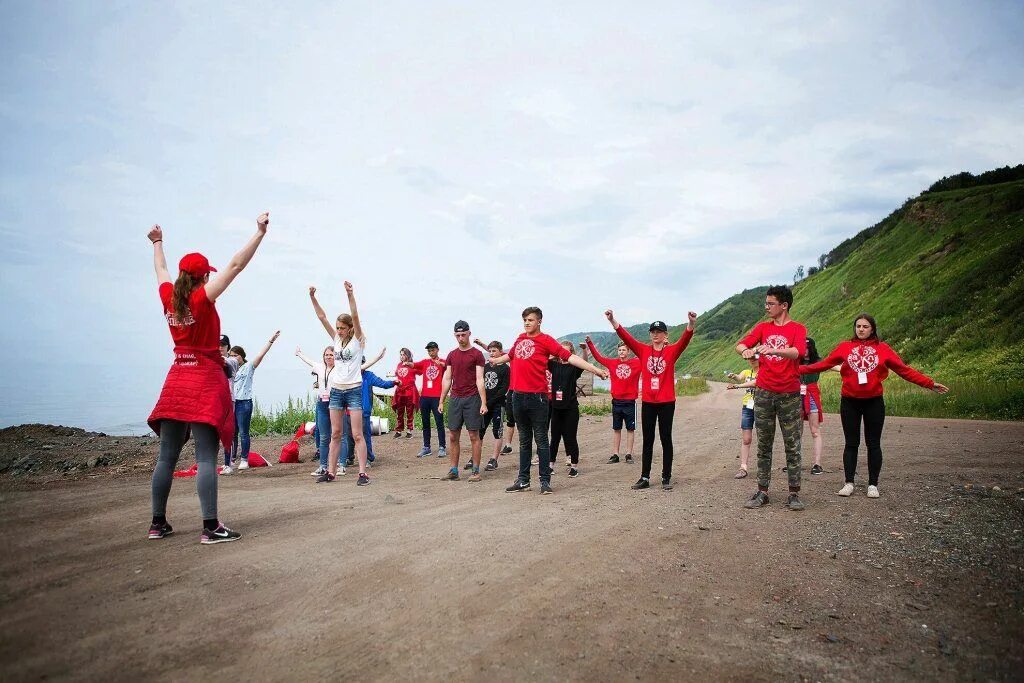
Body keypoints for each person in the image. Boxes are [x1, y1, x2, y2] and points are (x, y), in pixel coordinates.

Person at [145, 210, 269, 544]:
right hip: (203, 380)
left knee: (166, 457)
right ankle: (210, 526)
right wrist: (259, 233)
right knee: (204, 457)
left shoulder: (169, 297)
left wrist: (157, 243)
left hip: (176, 379)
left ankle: (158, 523)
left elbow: (160, 269)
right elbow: (235, 266)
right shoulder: (202, 298)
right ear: (202, 278)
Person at [799, 313, 948, 498]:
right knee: (851, 444)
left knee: (873, 444)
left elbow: (904, 370)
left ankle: (873, 484)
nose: (861, 329)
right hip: (849, 402)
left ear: (872, 329)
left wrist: (929, 383)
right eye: (858, 326)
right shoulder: (845, 347)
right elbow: (822, 365)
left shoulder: (882, 349)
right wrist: (795, 370)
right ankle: (849, 483)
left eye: (865, 326)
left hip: (874, 402)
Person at [491, 307, 608, 495]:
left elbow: (570, 357)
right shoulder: (520, 338)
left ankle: (545, 481)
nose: (527, 323)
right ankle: (523, 480)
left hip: (538, 398)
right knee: (524, 441)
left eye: (530, 320)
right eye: (525, 320)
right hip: (517, 396)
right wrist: (495, 361)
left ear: (539, 322)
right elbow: (510, 356)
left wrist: (596, 370)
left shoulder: (546, 341)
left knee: (542, 440)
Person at [605, 310, 696, 491]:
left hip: (666, 402)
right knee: (648, 439)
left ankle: (666, 477)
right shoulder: (643, 350)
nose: (656, 335)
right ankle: (645, 477)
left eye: (659, 332)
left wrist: (691, 323)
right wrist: (612, 320)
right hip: (648, 402)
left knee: (665, 438)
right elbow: (626, 336)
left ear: (665, 335)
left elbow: (685, 340)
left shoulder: (671, 351)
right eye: (653, 332)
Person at [736, 285, 807, 511]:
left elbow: (798, 352)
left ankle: (794, 493)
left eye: (770, 303)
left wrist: (775, 351)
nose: (766, 307)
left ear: (783, 305)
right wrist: (745, 351)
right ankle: (762, 491)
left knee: (792, 444)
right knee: (764, 443)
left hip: (789, 394)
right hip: (764, 392)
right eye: (766, 303)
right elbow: (740, 344)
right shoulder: (762, 327)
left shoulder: (797, 328)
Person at [309, 282, 371, 486]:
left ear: (350, 328)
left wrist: (350, 294)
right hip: (336, 391)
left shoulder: (358, 340)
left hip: (353, 389)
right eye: (338, 328)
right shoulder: (336, 339)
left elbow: (355, 315)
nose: (339, 331)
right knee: (336, 433)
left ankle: (362, 473)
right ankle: (330, 471)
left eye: (343, 328)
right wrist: (313, 298)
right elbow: (321, 317)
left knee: (357, 434)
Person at [439, 321, 487, 481]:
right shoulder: (452, 355)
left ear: (469, 333)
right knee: (453, 435)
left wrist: (483, 402)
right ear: (455, 335)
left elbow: (480, 379)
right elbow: (447, 378)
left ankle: (475, 470)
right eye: (458, 335)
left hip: (472, 398)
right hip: (455, 398)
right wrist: (441, 400)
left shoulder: (477, 354)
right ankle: (453, 470)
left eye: (463, 335)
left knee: (474, 435)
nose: (461, 338)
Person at [227, 331, 280, 472]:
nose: (232, 358)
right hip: (231, 402)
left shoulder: (248, 366)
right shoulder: (228, 368)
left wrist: (271, 341)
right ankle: (231, 460)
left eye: (235, 355)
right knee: (232, 433)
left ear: (242, 356)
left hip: (244, 403)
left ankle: (244, 459)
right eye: (230, 356)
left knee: (243, 432)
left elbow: (261, 355)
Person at [586, 336, 642, 464]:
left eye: (624, 350)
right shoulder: (612, 363)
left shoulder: (637, 363)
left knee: (630, 429)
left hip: (630, 402)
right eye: (620, 350)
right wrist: (590, 343)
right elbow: (598, 358)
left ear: (629, 351)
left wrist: (664, 346)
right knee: (616, 428)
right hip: (617, 402)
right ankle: (615, 454)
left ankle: (628, 454)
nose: (621, 352)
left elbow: (649, 355)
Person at [341, 349, 394, 468]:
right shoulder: (348, 376)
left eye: (362, 363)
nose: (361, 366)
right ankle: (350, 457)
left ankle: (368, 458)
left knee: (365, 436)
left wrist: (394, 382)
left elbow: (383, 384)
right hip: (348, 410)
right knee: (349, 436)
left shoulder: (368, 376)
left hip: (363, 411)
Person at [548, 341, 591, 478]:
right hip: (556, 407)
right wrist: (555, 353)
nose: (563, 354)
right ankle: (550, 465)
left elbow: (584, 362)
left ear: (571, 353)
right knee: (554, 438)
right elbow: (543, 358)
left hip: (571, 408)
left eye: (566, 352)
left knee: (571, 437)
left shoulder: (574, 368)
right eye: (561, 351)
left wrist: (584, 350)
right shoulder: (554, 366)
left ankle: (574, 467)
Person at [296, 344, 335, 476]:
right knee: (324, 436)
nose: (328, 357)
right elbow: (309, 361)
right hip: (322, 404)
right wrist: (299, 353)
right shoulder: (319, 367)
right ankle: (323, 466)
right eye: (326, 355)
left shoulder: (339, 368)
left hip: (336, 403)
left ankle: (341, 465)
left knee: (338, 435)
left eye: (331, 354)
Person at [410, 343, 447, 458]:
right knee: (425, 423)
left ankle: (442, 447)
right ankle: (427, 447)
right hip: (425, 396)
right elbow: (414, 365)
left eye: (433, 350)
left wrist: (440, 364)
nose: (431, 353)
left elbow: (451, 367)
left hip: (437, 397)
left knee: (439, 422)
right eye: (429, 351)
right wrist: (406, 362)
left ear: (437, 350)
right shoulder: (425, 362)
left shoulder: (443, 361)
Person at [725, 357, 759, 478]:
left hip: (762, 406)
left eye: (755, 358)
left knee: (764, 438)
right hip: (748, 407)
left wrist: (737, 386)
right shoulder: (746, 372)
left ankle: (763, 467)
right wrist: (733, 376)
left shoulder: (765, 371)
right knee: (746, 439)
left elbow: (755, 383)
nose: (752, 360)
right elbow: (739, 378)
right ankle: (743, 467)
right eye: (750, 358)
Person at [800, 337, 826, 476]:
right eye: (802, 347)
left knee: (815, 430)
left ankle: (817, 463)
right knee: (796, 431)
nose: (804, 351)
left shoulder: (818, 361)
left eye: (807, 348)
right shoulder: (793, 360)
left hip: (811, 394)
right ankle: (794, 462)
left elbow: (833, 365)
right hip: (796, 394)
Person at [391, 348, 419, 439]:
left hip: (410, 391)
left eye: (403, 354)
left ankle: (409, 430)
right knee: (400, 412)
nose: (402, 356)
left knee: (409, 411)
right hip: (400, 391)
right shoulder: (399, 365)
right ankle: (399, 430)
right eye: (401, 354)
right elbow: (397, 375)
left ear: (408, 355)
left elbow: (420, 371)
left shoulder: (412, 365)